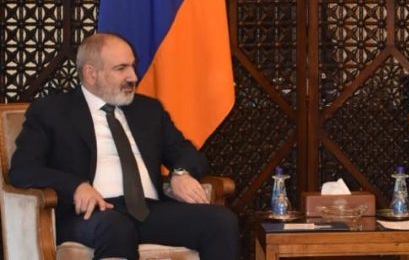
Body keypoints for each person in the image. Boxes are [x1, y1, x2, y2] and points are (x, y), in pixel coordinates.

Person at [9, 32, 239, 260]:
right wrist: (75, 186)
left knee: (220, 220)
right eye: (121, 69)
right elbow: (23, 169)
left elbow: (187, 153)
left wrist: (181, 173)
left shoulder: (148, 110)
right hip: (90, 215)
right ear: (91, 74)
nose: (133, 77)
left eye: (132, 66)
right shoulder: (52, 111)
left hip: (147, 211)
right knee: (116, 226)